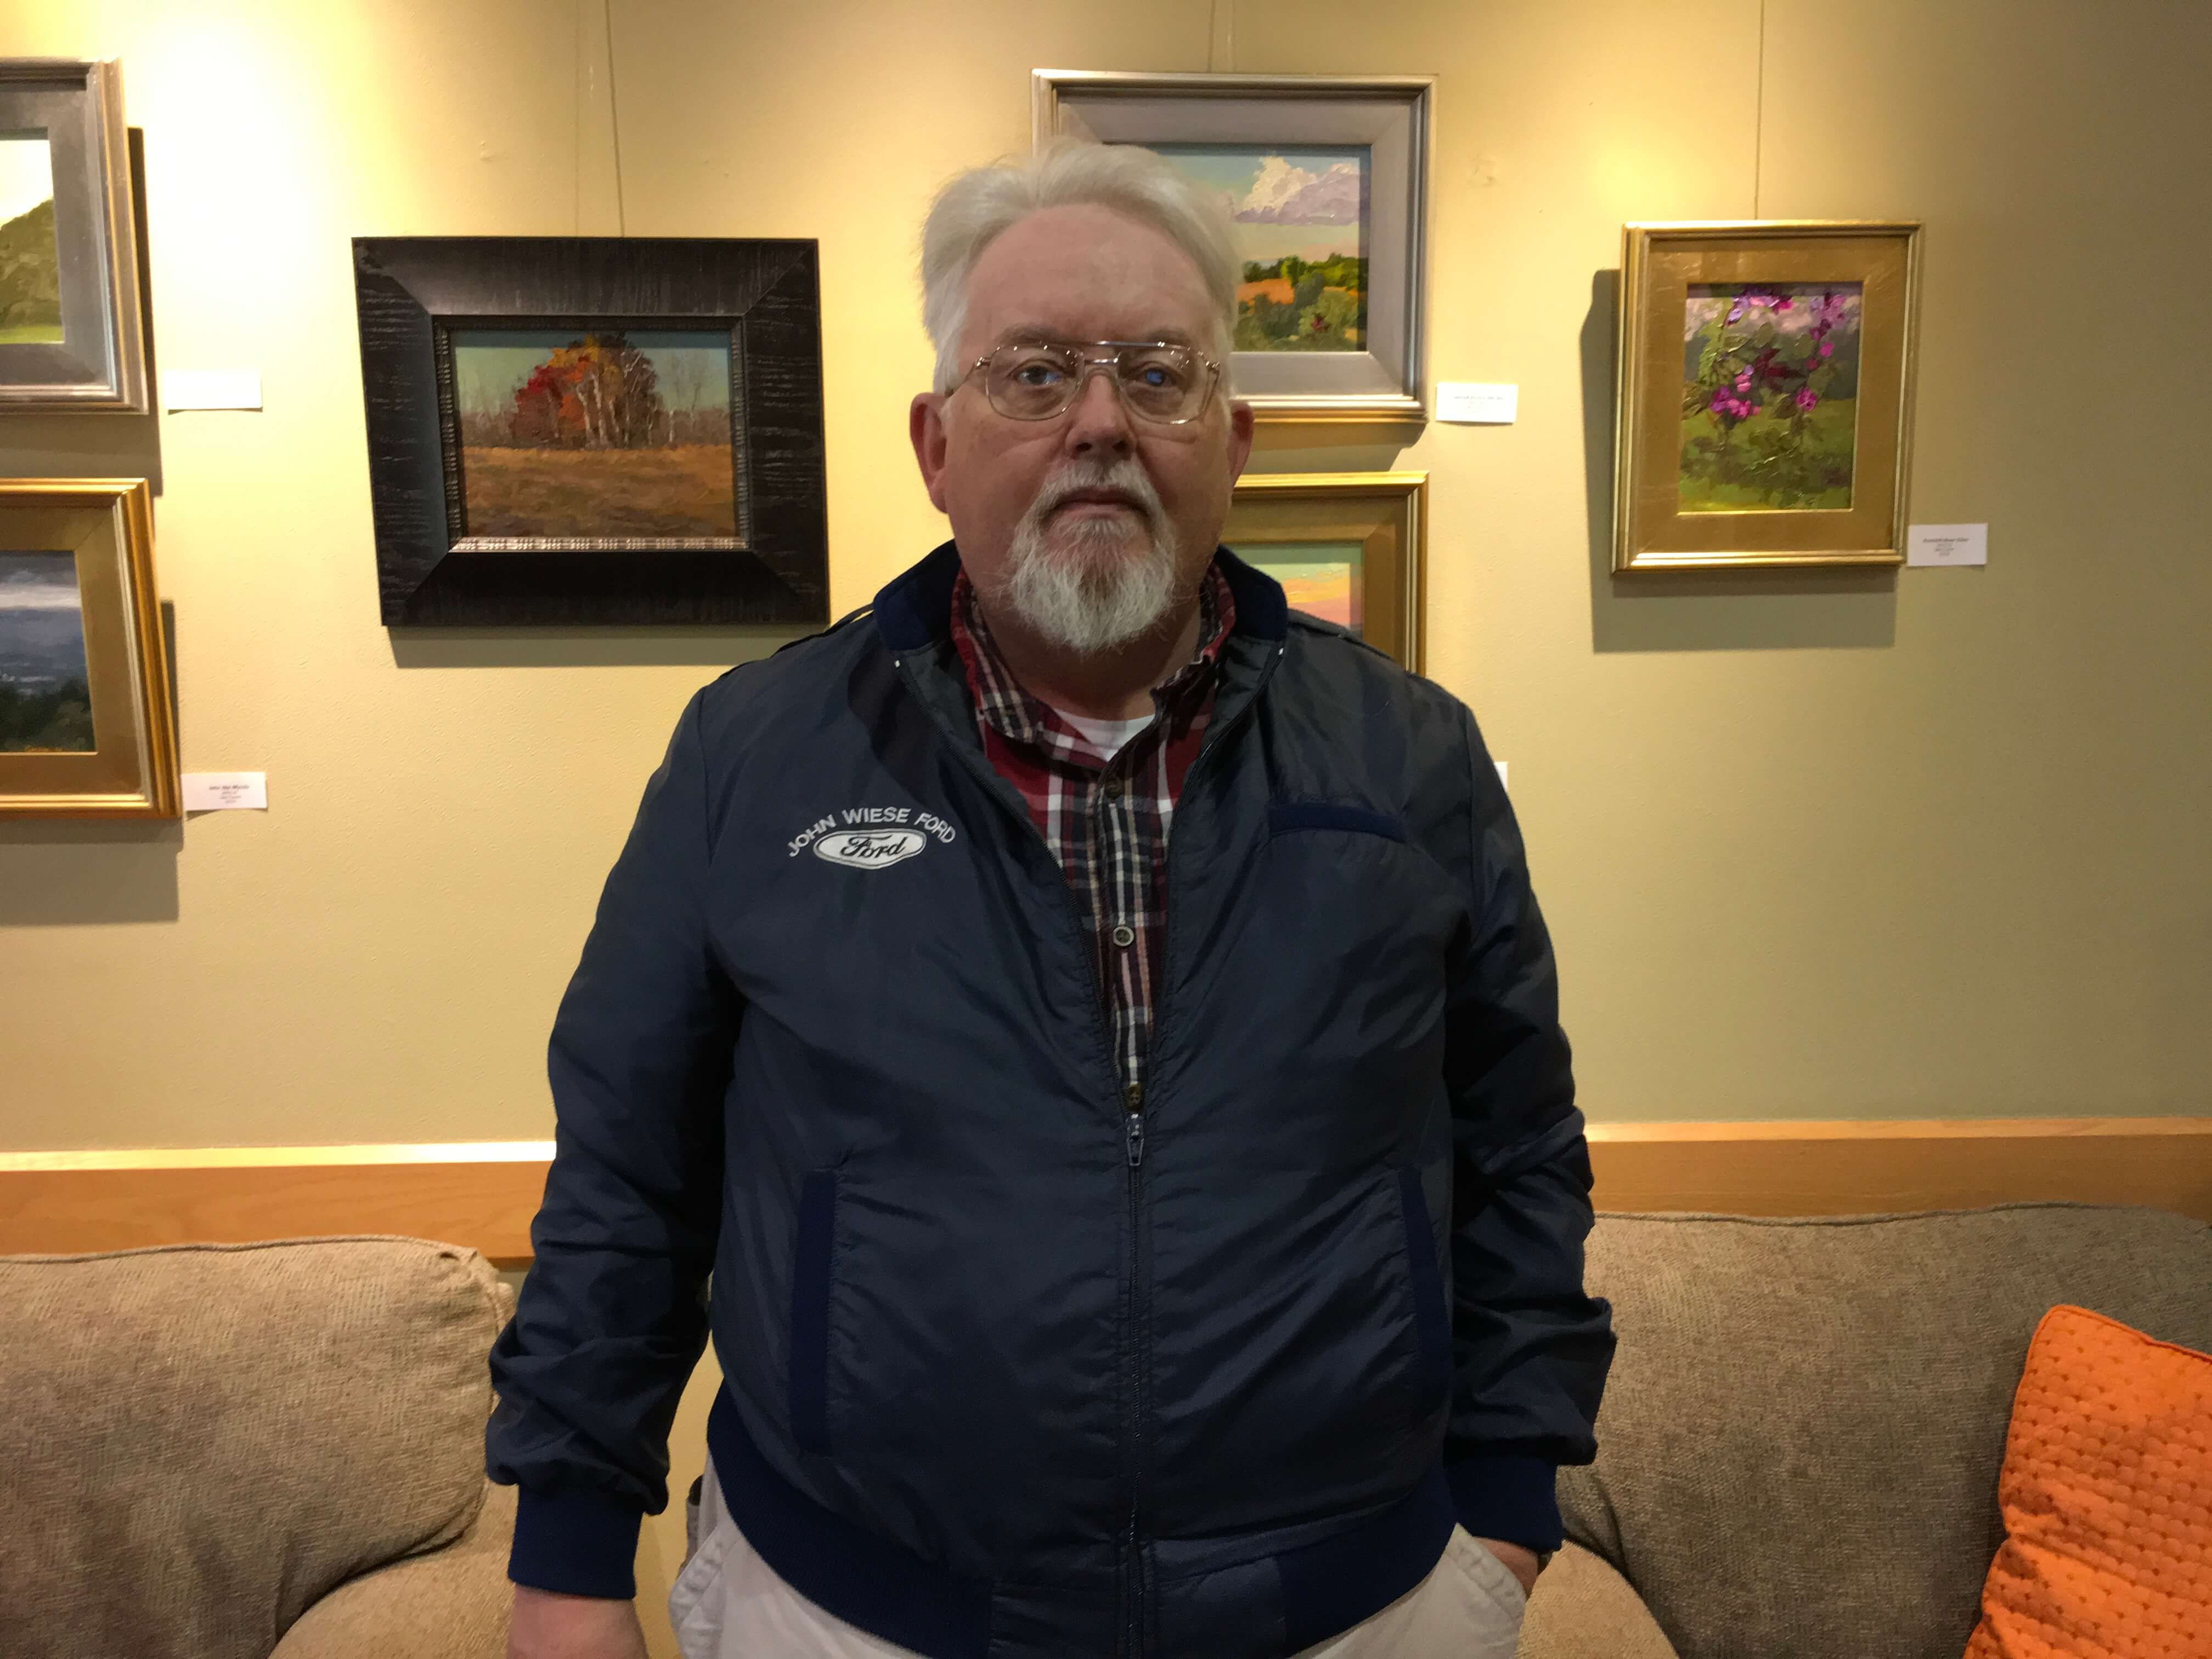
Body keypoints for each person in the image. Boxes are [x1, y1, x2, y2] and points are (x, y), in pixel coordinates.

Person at [489, 138, 1615, 1659]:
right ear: (936, 444)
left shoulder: (1412, 757)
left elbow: (1519, 1148)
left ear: (1235, 438)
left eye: (1158, 373)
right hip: (850, 1611)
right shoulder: (751, 759)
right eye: (1034, 373)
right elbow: (627, 1176)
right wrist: (565, 1560)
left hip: (1362, 1610)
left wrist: (1508, 1506)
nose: (1100, 421)